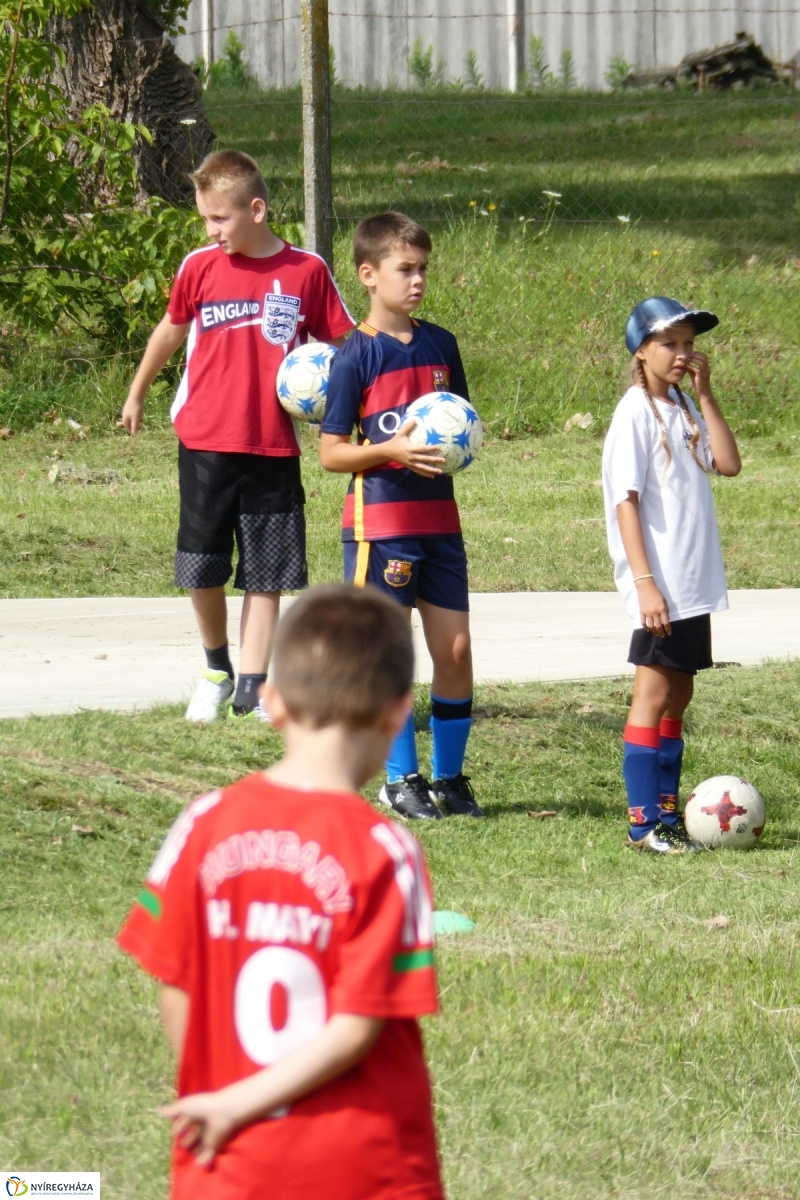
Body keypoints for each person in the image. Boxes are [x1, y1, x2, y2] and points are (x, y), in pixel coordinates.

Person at [117, 583, 444, 1200]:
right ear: (399, 713)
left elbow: (173, 979)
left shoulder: (203, 822)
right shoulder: (384, 851)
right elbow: (356, 1027)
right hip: (360, 1167)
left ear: (270, 702)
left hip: (229, 1161)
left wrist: (217, 1100)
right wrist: (236, 1101)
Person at [121, 150, 354, 722]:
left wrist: (376, 391)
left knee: (266, 571)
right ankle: (216, 670)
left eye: (219, 218)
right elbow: (171, 329)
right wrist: (137, 390)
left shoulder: (307, 271)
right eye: (205, 219)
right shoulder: (199, 266)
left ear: (256, 209)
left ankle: (253, 685)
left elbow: (348, 344)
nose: (211, 230)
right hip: (204, 440)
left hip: (271, 446)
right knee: (201, 565)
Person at [319, 212, 482, 820]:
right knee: (388, 655)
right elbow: (332, 454)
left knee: (457, 649)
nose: (417, 281)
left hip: (440, 523)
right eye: (404, 269)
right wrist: (390, 450)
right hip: (379, 526)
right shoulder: (353, 356)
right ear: (368, 275)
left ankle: (450, 779)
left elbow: (460, 423)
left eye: (423, 270)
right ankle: (398, 777)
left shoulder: (442, 345)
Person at [602, 296, 742, 854]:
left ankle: (666, 810)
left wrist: (705, 396)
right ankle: (642, 823)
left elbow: (727, 463)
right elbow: (625, 501)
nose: (684, 353)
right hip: (660, 583)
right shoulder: (633, 412)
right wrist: (644, 582)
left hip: (692, 580)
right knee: (652, 692)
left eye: (689, 343)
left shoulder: (683, 404)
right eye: (670, 344)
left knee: (679, 692)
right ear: (642, 350)